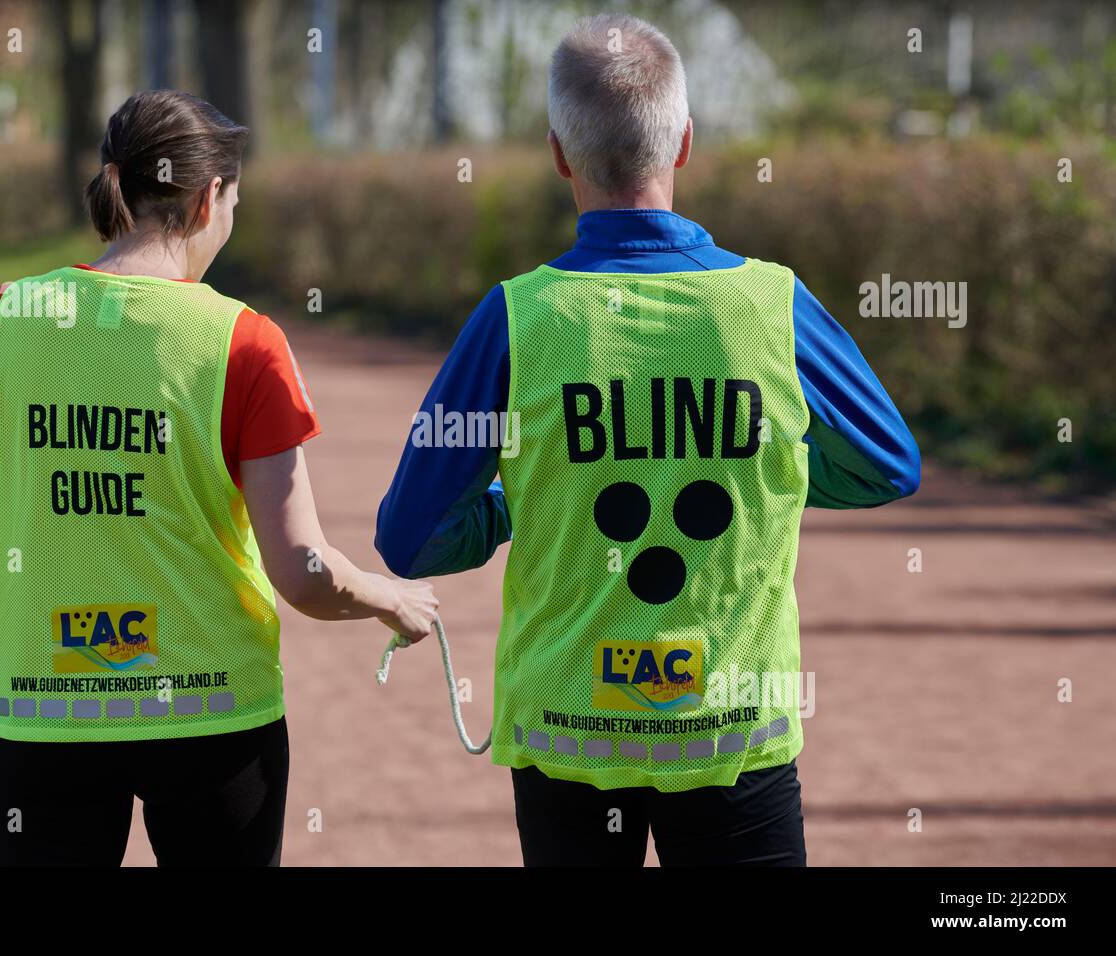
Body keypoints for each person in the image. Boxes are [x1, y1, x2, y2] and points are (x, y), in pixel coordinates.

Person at [375, 14, 920, 867]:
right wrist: (762, 470)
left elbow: (407, 539)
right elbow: (890, 465)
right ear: (686, 143)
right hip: (735, 740)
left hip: (569, 738)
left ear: (559, 153)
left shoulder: (517, 317)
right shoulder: (771, 304)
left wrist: (516, 503)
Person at [0, 90, 438, 867]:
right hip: (212, 722)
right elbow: (302, 574)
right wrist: (390, 597)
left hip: (42, 715)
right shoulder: (245, 341)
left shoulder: (4, 319)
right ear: (209, 198)